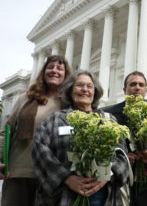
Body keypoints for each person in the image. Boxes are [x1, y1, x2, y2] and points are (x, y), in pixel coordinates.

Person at [31, 69, 130, 206]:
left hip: (103, 196)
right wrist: (65, 178)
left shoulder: (109, 120)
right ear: (70, 90)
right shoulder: (55, 119)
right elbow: (39, 150)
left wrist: (107, 175)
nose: (85, 89)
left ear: (95, 92)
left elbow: (122, 156)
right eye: (79, 85)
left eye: (89, 86)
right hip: (62, 196)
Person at [0, 55, 71, 206]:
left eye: (60, 68)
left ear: (66, 75)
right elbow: (6, 130)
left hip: (52, 174)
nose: (54, 71)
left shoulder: (69, 103)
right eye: (50, 67)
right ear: (43, 72)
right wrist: (0, 159)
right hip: (20, 170)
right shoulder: (26, 97)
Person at [104, 71, 147, 206]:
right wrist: (122, 158)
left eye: (141, 85)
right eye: (133, 84)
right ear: (125, 90)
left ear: (145, 90)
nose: (137, 87)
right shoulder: (110, 115)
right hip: (119, 181)